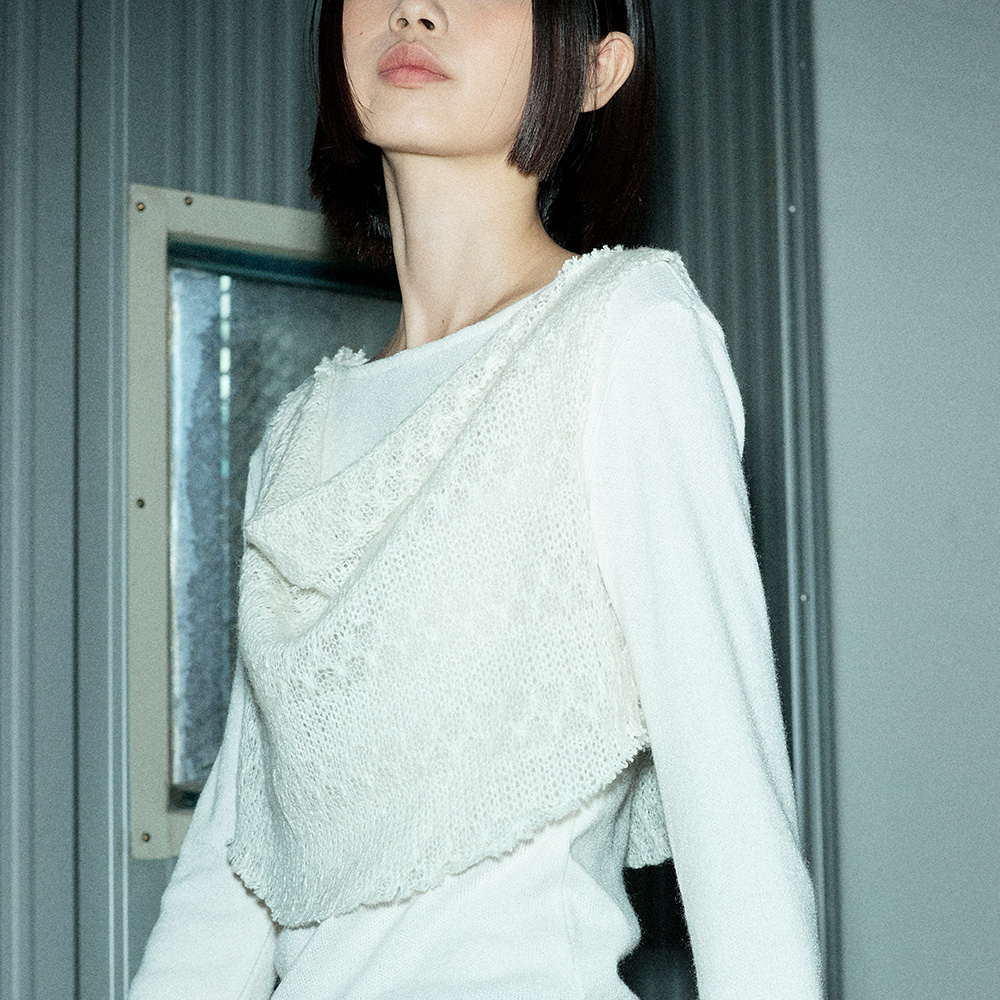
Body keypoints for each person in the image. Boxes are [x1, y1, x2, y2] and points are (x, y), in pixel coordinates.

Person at [129, 1, 825, 997]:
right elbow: (230, 871)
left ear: (596, 71)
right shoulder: (297, 436)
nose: (414, 8)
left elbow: (734, 811)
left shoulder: (625, 331)